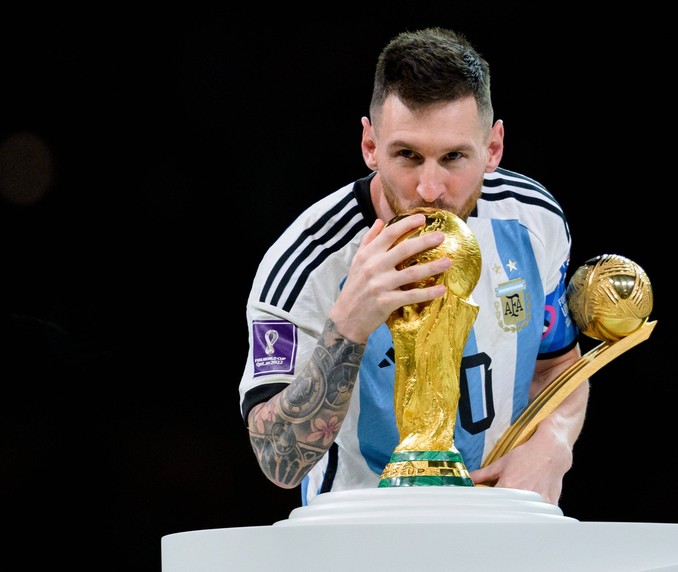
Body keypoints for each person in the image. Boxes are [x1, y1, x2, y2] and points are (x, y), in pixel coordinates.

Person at [239, 27, 588, 507]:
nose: (430, 188)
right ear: (369, 146)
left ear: (493, 148)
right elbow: (278, 460)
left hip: (501, 525)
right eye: (407, 155)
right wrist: (348, 325)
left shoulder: (534, 220)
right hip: (357, 539)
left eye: (453, 157)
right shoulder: (307, 263)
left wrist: (554, 443)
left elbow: (558, 366)